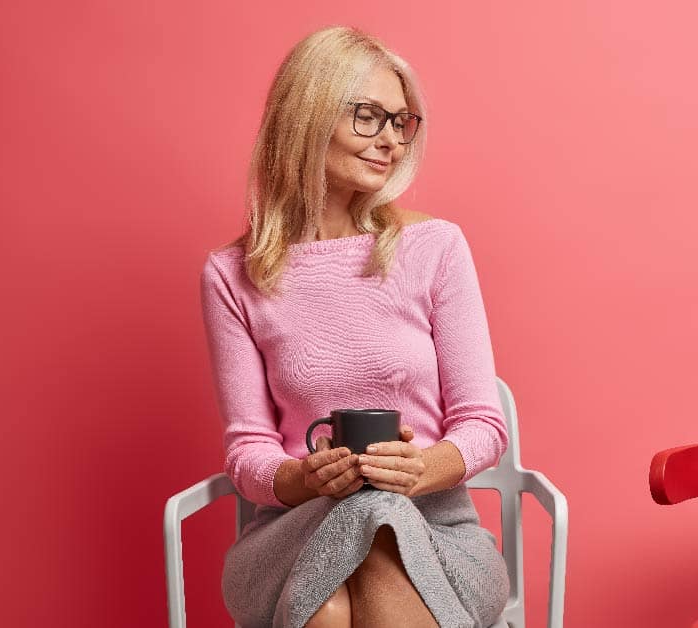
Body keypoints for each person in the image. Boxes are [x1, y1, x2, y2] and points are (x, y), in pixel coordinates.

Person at [199, 25, 511, 628]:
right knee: (359, 523)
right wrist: (304, 477)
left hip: (435, 527)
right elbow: (248, 452)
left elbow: (482, 423)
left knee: (374, 524)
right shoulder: (230, 275)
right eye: (367, 116)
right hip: (294, 532)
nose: (390, 140)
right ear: (307, 117)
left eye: (401, 121)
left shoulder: (435, 247)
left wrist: (422, 468)